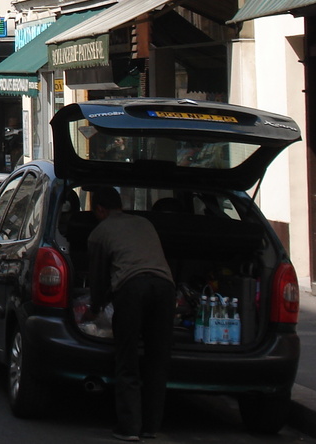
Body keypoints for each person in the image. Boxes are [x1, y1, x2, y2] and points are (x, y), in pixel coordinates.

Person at [85, 186, 175, 442]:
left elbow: (99, 278)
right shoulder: (145, 223)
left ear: (100, 209)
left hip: (131, 288)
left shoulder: (99, 233)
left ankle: (129, 427)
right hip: (165, 287)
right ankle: (151, 427)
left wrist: (94, 309)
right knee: (158, 359)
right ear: (121, 205)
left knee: (127, 358)